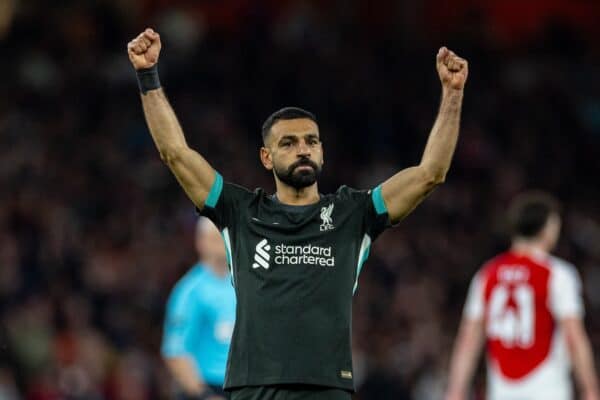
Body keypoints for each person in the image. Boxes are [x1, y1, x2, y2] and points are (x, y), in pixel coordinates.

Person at [127, 27, 468, 399]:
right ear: (266, 157)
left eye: (311, 141)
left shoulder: (355, 214)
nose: (303, 149)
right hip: (253, 389)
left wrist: (452, 94)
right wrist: (148, 75)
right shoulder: (239, 212)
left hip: (326, 389)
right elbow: (176, 153)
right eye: (288, 143)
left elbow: (430, 173)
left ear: (322, 152)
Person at [445, 192, 600, 400]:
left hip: (502, 391)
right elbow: (573, 335)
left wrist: (456, 390)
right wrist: (590, 388)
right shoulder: (557, 274)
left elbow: (469, 339)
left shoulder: (487, 274)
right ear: (549, 227)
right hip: (547, 388)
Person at [162, 217, 236, 400]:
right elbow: (175, 351)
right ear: (201, 242)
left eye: (224, 237)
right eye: (215, 238)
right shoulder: (190, 291)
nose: (222, 243)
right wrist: (204, 395)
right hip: (208, 387)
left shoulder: (244, 283)